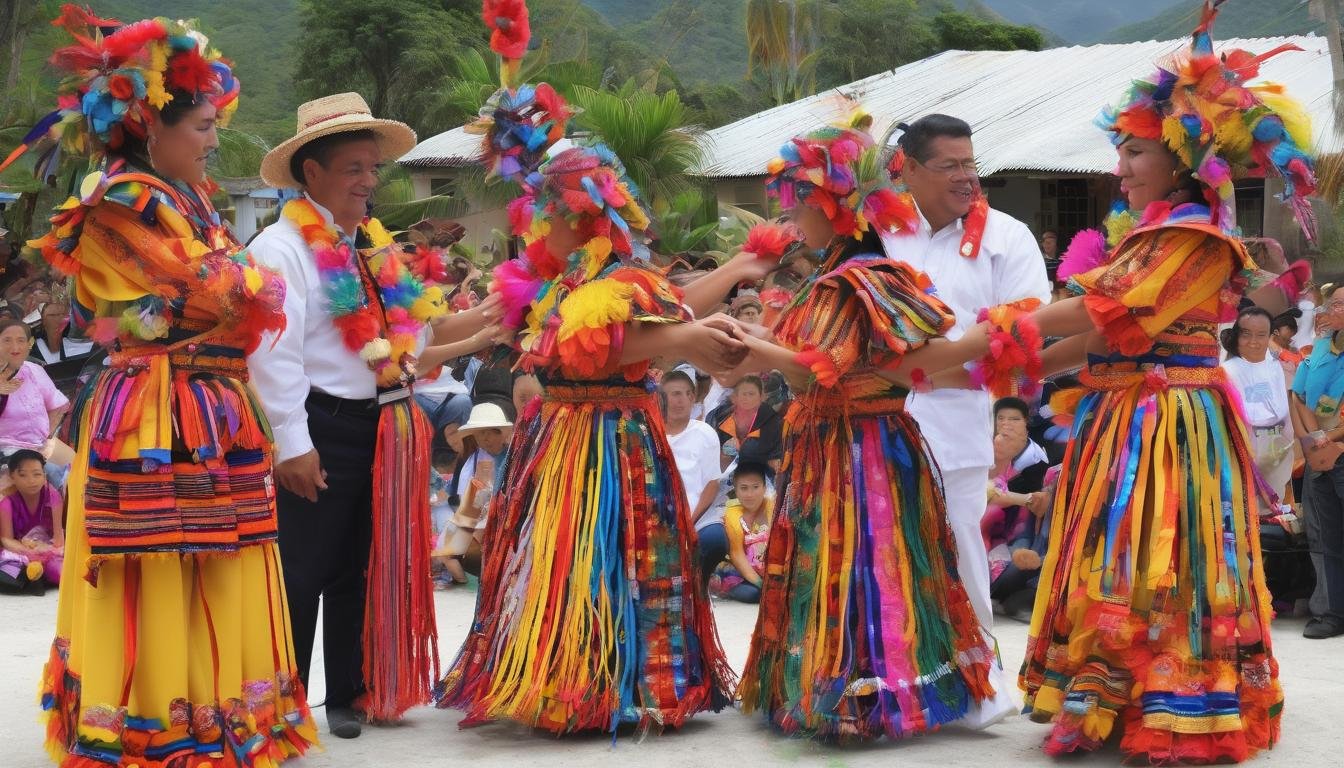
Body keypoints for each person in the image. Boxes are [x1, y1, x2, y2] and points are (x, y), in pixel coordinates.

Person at [436, 13, 787, 730]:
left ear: (583, 210)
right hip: (563, 439)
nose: (534, 215)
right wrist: (696, 326)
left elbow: (639, 330)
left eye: (547, 205)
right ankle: (563, 674)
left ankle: (612, 682)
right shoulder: (557, 276)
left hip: (612, 441)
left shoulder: (618, 273)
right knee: (562, 563)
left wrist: (732, 276)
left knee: (615, 558)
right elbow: (649, 331)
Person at [0, 9, 318, 763]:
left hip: (206, 403)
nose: (214, 138)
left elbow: (236, 291)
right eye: (205, 125)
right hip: (156, 412)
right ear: (151, 126)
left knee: (218, 558)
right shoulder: (121, 201)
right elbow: (211, 292)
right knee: (162, 562)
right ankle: (156, 718)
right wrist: (244, 282)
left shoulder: (189, 199)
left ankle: (220, 707)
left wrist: (243, 284)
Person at [1018, 5, 1306, 759]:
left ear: (1180, 159)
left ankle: (1177, 702)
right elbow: (1095, 337)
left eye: (1134, 153)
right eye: (1119, 152)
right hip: (1119, 419)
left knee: (1170, 559)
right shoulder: (1145, 238)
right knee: (1113, 556)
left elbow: (1103, 313)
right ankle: (1106, 692)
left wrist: (999, 329)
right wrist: (996, 361)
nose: (1120, 167)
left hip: (1169, 424)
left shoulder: (1196, 239)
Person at [731, 113, 1016, 740]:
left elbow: (824, 371)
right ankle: (836, 686)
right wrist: (758, 339)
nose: (789, 219)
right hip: (833, 444)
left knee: (868, 567)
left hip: (863, 446)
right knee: (837, 567)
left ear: (830, 209)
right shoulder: (837, 275)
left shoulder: (866, 277)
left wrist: (754, 344)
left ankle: (871, 696)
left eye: (798, 203)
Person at [246, 92, 497, 734]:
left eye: (372, 168)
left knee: (361, 563)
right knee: (304, 567)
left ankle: (349, 695)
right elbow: (274, 359)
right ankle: (286, 700)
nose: (368, 182)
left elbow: (412, 334)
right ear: (312, 174)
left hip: (382, 426)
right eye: (353, 168)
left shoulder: (371, 247)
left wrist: (491, 318)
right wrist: (293, 445)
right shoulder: (280, 249)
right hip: (320, 425)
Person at [881, 113, 1052, 639]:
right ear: (908, 170)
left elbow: (1027, 332)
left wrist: (933, 369)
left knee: (956, 548)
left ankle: (977, 680)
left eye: (970, 164)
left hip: (955, 422)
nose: (965, 176)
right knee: (879, 550)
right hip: (872, 418)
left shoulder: (1006, 235)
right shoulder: (880, 232)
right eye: (948, 165)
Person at [1292, 284, 1344, 639]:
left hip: (1336, 444)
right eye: (1334, 302)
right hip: (1320, 453)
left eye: (1339, 304)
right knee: (1324, 535)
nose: (1333, 308)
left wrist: (1333, 437)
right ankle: (1331, 611)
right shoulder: (1321, 348)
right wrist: (1314, 440)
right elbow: (1298, 395)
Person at [661, 369, 727, 585]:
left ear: (692, 397)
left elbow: (711, 484)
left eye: (685, 394)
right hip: (659, 515)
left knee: (715, 540)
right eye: (674, 394)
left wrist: (689, 521)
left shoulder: (704, 432)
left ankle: (698, 587)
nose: (680, 401)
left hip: (697, 516)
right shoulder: (651, 432)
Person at [1223, 307, 1295, 498]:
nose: (1254, 342)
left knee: (1274, 503)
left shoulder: (1275, 366)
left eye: (1261, 335)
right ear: (1237, 335)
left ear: (1270, 336)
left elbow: (1284, 410)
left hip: (1278, 451)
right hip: (1242, 453)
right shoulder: (1226, 371)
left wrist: (1287, 443)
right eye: (1247, 334)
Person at [0, 319, 69, 465]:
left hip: (40, 445)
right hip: (6, 447)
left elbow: (58, 406)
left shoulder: (34, 369)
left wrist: (45, 437)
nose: (15, 347)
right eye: (7, 340)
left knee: (75, 467)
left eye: (21, 340)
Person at [0, 450, 63, 594]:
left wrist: (45, 550)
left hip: (49, 550)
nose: (31, 480)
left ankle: (36, 577)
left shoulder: (53, 497)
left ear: (44, 476)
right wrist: (29, 552)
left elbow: (59, 539)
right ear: (12, 476)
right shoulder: (7, 503)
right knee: (8, 575)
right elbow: (6, 538)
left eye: (37, 474)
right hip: (18, 552)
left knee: (61, 573)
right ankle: (32, 576)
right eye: (23, 475)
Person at [708, 462, 772, 603]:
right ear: (736, 491)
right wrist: (762, 584)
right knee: (754, 594)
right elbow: (737, 554)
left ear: (764, 488)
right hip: (739, 572)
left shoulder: (773, 507)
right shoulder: (731, 515)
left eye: (756, 487)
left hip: (770, 570)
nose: (750, 494)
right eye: (744, 488)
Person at [711, 375, 783, 471]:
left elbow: (776, 464)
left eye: (751, 394)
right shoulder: (719, 417)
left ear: (761, 397)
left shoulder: (773, 422)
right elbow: (711, 461)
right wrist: (727, 454)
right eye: (743, 394)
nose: (747, 399)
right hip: (724, 479)